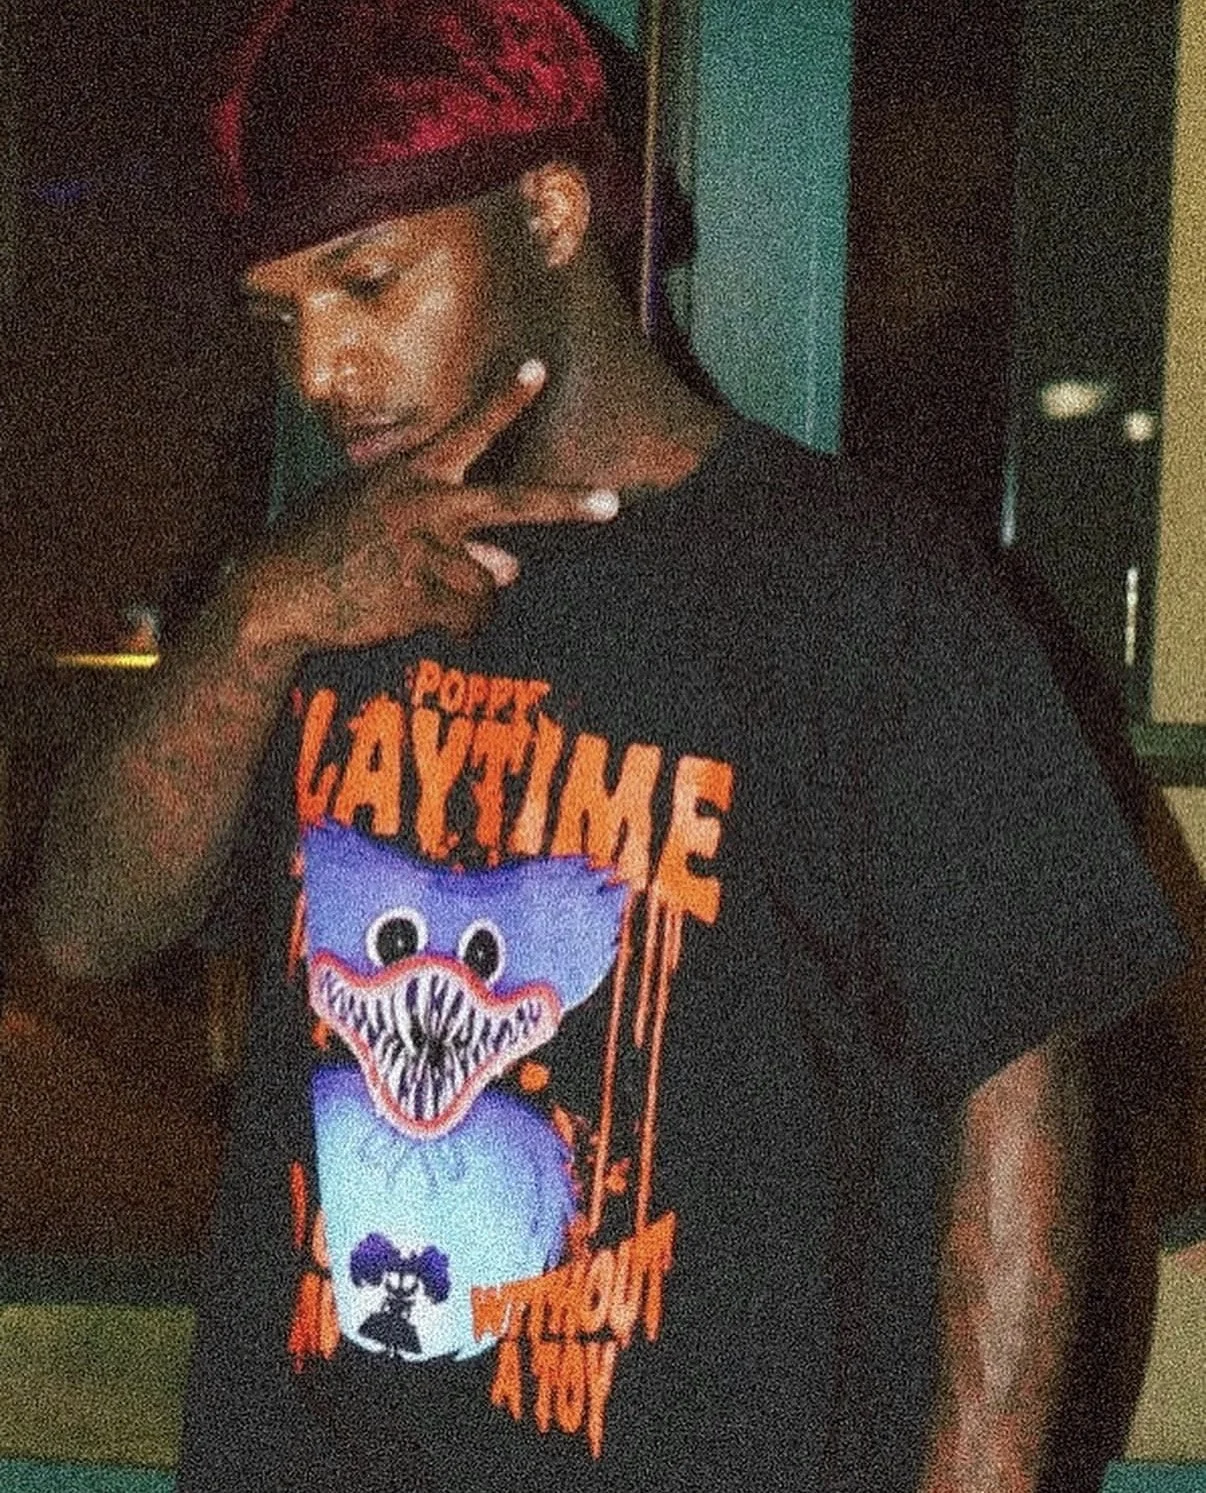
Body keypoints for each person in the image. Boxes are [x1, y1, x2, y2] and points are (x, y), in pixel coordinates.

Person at [34, 1, 1186, 1489]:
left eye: (368, 282)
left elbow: (1019, 1120)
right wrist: (257, 622)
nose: (319, 367)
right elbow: (86, 928)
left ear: (551, 213)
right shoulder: (315, 583)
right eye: (281, 316)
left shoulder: (869, 600)